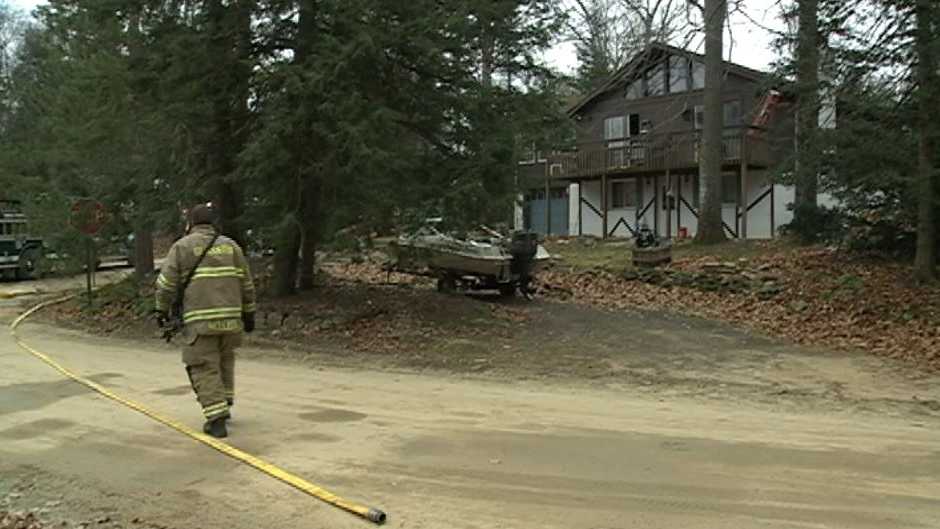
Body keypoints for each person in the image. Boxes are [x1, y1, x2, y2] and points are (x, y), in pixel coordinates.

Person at [154, 203, 256, 438]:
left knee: (203, 366)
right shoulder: (231, 246)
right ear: (213, 224)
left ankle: (216, 418)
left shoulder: (182, 247)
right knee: (224, 362)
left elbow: (166, 285)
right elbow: (246, 283)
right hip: (231, 321)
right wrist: (249, 313)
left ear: (190, 223)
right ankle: (224, 404)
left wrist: (161, 310)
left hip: (200, 322)